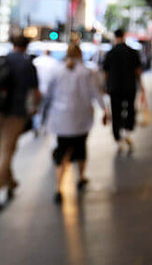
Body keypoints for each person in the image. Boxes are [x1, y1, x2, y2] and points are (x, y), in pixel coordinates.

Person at [46, 42, 109, 203]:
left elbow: (49, 95)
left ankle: (58, 188)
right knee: (80, 147)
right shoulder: (87, 72)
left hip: (61, 119)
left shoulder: (57, 71)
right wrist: (105, 110)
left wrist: (43, 114)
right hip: (81, 118)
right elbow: (96, 92)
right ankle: (81, 177)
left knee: (62, 152)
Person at [0, 34, 41, 212]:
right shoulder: (27, 65)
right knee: (6, 151)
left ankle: (10, 183)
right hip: (15, 114)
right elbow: (36, 92)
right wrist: (34, 108)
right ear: (26, 47)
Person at [102, 28, 143, 153]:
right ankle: (127, 132)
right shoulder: (132, 52)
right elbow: (138, 71)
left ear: (115, 37)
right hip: (130, 86)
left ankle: (118, 138)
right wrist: (142, 87)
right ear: (124, 36)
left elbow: (105, 73)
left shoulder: (110, 53)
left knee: (116, 112)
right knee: (130, 109)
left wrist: (105, 87)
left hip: (114, 88)